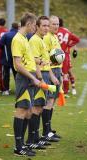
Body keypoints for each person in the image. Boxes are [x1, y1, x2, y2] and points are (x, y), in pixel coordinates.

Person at [11, 12, 40, 156]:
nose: (35, 27)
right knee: (21, 111)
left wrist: (37, 64)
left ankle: (23, 144)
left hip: (30, 77)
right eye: (34, 24)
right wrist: (32, 78)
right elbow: (18, 64)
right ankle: (18, 147)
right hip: (24, 79)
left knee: (28, 111)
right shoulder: (18, 39)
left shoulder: (24, 38)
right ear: (28, 24)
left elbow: (26, 61)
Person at [26, 16, 56, 149]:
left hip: (44, 75)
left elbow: (43, 60)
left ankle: (36, 138)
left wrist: (49, 74)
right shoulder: (34, 40)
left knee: (39, 108)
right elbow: (34, 61)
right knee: (36, 108)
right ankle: (31, 140)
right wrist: (41, 79)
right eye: (43, 25)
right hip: (39, 76)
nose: (46, 28)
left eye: (47, 26)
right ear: (37, 26)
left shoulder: (41, 39)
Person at [43, 15, 62, 140]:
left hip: (57, 70)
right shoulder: (47, 38)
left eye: (57, 24)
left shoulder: (55, 37)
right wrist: (52, 74)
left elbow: (58, 56)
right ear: (48, 25)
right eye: (53, 24)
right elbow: (46, 58)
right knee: (48, 101)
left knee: (53, 101)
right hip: (51, 71)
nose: (56, 26)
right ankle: (46, 132)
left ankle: (49, 129)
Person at [57, 18, 80, 96]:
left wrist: (72, 48)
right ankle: (64, 90)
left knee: (66, 72)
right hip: (65, 54)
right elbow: (76, 40)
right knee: (65, 73)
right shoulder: (67, 31)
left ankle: (70, 88)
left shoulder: (55, 31)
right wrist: (71, 46)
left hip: (59, 53)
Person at [0, 22, 18, 95]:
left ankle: (6, 90)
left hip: (6, 58)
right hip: (17, 59)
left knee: (6, 75)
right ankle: (18, 89)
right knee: (17, 75)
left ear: (11, 27)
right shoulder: (19, 35)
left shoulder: (6, 34)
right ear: (18, 27)